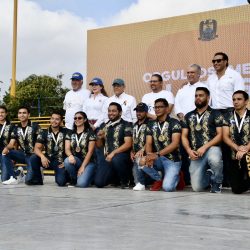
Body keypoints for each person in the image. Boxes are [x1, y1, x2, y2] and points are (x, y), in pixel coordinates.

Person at [207, 52, 245, 186]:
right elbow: (209, 99)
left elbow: (240, 95)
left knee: (231, 145)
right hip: (215, 112)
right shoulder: (210, 78)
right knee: (218, 146)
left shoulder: (234, 75)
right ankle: (220, 178)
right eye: (213, 61)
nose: (216, 63)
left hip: (230, 111)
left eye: (218, 60)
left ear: (226, 61)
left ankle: (233, 179)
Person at [181, 87, 224, 193]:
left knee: (215, 159)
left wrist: (205, 147)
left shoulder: (216, 113)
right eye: (196, 96)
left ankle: (217, 182)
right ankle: (209, 176)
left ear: (208, 97)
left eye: (201, 95)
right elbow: (184, 136)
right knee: (197, 188)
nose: (198, 98)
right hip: (195, 152)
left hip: (211, 148)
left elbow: (220, 135)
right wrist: (189, 151)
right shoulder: (189, 115)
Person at [137, 98, 182, 192]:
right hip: (158, 159)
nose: (157, 109)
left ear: (166, 109)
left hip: (172, 160)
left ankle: (178, 175)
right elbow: (148, 142)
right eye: (155, 107)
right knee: (140, 161)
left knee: (168, 188)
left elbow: (175, 143)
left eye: (160, 107)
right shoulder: (151, 123)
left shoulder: (174, 123)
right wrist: (149, 156)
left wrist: (156, 154)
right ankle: (158, 179)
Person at [94, 102, 133, 188]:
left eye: (114, 111)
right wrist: (99, 137)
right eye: (109, 111)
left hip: (122, 157)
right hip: (108, 158)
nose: (111, 113)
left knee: (117, 159)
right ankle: (115, 179)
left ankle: (125, 180)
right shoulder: (104, 125)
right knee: (99, 183)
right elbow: (99, 146)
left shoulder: (127, 124)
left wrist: (113, 153)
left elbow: (128, 144)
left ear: (120, 112)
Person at [1, 106, 41, 184]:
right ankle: (14, 177)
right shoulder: (16, 128)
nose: (22, 115)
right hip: (22, 154)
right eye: (20, 113)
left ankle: (37, 171)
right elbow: (11, 143)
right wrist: (7, 148)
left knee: (28, 181)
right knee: (5, 153)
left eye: (24, 113)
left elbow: (41, 143)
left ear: (28, 115)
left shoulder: (35, 126)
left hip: (33, 156)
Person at [27, 111, 69, 186]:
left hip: (60, 161)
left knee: (61, 182)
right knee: (33, 158)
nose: (54, 121)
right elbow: (36, 148)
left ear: (61, 121)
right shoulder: (44, 132)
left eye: (57, 119)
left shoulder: (67, 132)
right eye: (52, 118)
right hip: (48, 159)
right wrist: (42, 156)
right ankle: (38, 179)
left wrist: (67, 162)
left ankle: (67, 176)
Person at [223, 90, 250, 194]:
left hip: (248, 153)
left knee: (245, 156)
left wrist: (245, 149)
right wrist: (238, 148)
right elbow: (225, 137)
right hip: (234, 155)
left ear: (246, 101)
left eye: (239, 99)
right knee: (236, 189)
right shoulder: (227, 116)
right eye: (234, 99)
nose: (236, 102)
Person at [64, 111, 96, 187]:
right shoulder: (70, 133)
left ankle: (91, 176)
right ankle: (74, 180)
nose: (77, 120)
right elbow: (67, 149)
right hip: (76, 161)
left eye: (80, 118)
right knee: (67, 161)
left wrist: (83, 166)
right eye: (75, 118)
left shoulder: (90, 133)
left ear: (85, 120)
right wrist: (70, 156)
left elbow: (90, 152)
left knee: (82, 184)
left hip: (88, 162)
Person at [130, 103, 150, 191]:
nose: (138, 113)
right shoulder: (134, 125)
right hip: (135, 154)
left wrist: (143, 149)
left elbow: (151, 140)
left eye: (141, 111)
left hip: (147, 153)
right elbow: (132, 140)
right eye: (137, 111)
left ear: (146, 112)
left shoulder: (151, 123)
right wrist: (131, 151)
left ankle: (141, 183)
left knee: (138, 162)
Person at [0, 106, 15, 180]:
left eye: (2, 112)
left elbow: (12, 144)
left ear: (6, 114)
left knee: (4, 179)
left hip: (5, 153)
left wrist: (8, 152)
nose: (0, 114)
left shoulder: (11, 126)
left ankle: (19, 173)